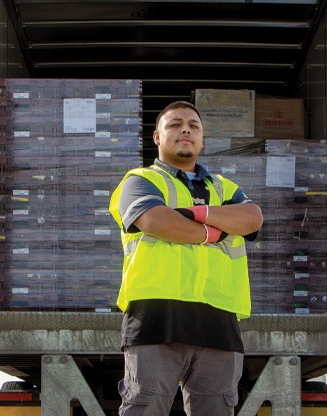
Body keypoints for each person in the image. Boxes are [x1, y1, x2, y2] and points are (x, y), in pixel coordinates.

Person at [108, 101, 264, 415]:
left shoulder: (224, 187)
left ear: (202, 140)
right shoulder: (139, 181)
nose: (185, 130)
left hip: (219, 324)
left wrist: (195, 214)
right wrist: (212, 231)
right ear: (156, 137)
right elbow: (156, 221)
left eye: (193, 126)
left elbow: (252, 218)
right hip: (155, 321)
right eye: (175, 124)